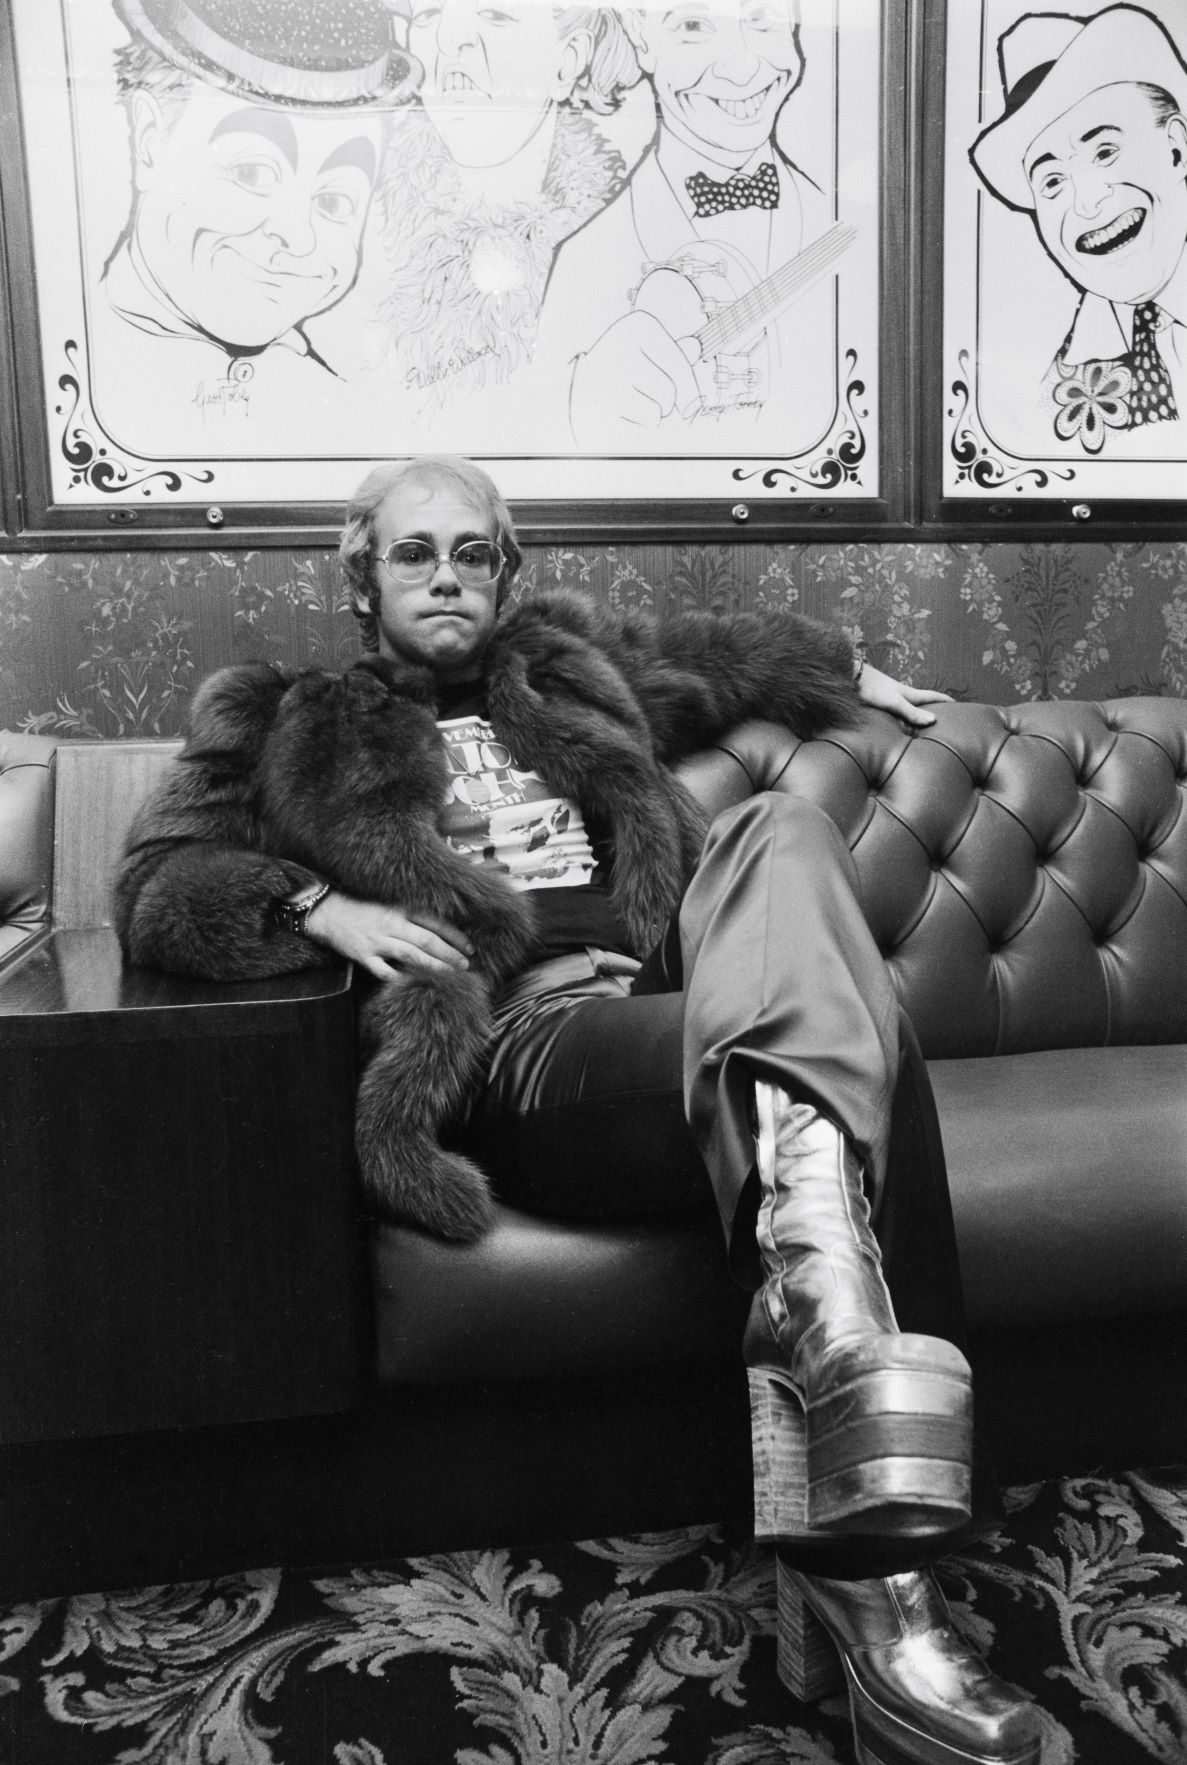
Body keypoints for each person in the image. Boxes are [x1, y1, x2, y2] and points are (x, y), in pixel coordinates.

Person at [114, 455, 1043, 1765]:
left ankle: (827, 1322)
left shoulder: (567, 675)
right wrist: (314, 904)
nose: (446, 577)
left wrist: (850, 672)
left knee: (780, 832)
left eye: (472, 553)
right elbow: (157, 883)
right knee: (862, 1047)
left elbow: (720, 658)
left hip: (676, 1002)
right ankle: (883, 1591)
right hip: (519, 1046)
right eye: (414, 553)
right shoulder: (282, 715)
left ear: (505, 574)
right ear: (361, 578)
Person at [94, 0, 416, 446]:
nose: (299, 237)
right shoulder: (97, 383)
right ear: (150, 141)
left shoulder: (348, 414)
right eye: (252, 173)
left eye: (334, 201)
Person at [530, 0, 843, 450]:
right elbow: (546, 440)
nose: (742, 67)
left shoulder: (848, 233)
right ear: (641, 37)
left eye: (763, 18)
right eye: (693, 25)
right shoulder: (584, 263)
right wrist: (590, 407)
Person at [364, 0, 636, 438]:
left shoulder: (616, 249)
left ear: (568, 62)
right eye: (428, 15)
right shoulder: (359, 230)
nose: (449, 40)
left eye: (496, 15)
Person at [970, 4, 1187, 453]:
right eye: (1052, 182)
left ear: (1177, 149)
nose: (1087, 204)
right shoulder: (1057, 386)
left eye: (1105, 152)